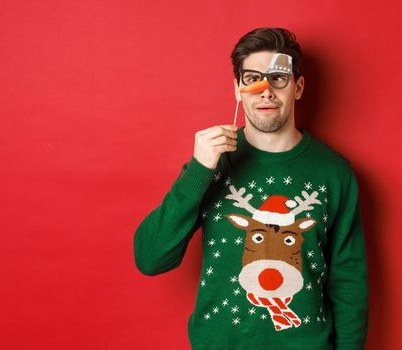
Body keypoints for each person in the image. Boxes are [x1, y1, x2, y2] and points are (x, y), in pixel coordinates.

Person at [134, 27, 368, 349]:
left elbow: (349, 281)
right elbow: (150, 258)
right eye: (253, 78)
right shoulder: (210, 164)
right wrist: (199, 170)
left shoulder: (334, 173)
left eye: (278, 78)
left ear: (297, 87)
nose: (266, 91)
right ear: (237, 89)